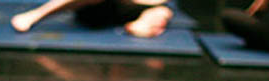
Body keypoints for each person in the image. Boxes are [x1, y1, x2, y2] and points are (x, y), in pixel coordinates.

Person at [10, 0, 174, 38]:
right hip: (96, 10)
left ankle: (141, 26)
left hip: (130, 12)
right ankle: (36, 14)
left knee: (162, 11)